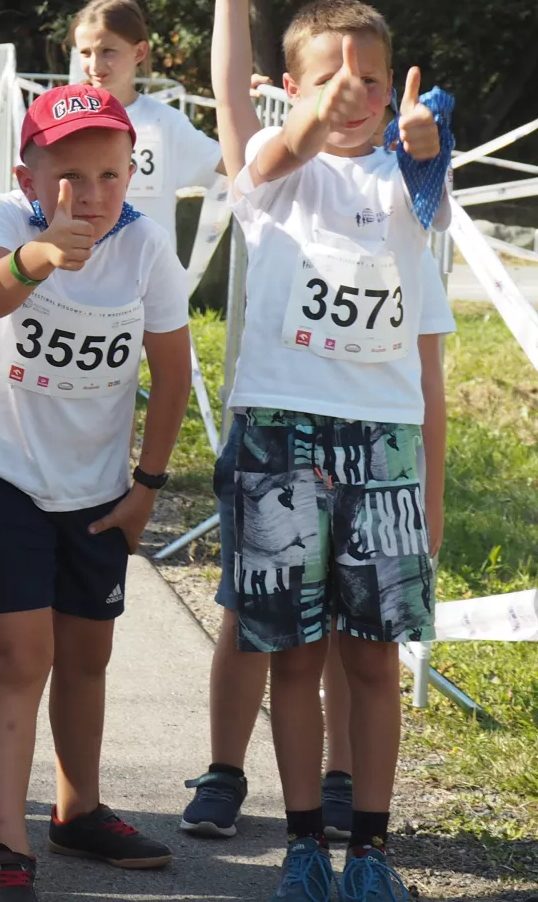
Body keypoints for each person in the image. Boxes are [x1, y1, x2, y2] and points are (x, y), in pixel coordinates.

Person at [203, 0, 448, 902]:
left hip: (381, 448)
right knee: (292, 659)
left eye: (372, 79)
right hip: (280, 438)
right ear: (291, 90)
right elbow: (244, 110)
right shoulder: (271, 177)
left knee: (373, 662)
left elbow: (427, 165)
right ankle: (303, 843)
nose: (354, 93)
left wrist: (424, 145)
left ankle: (372, 852)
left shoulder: (409, 188)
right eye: (332, 80)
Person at [0, 84, 192, 899]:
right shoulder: (4, 219)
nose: (90, 194)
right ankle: (7, 844)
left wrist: (147, 485)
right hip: (8, 475)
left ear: (132, 174)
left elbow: (173, 372)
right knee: (21, 656)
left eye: (109, 174)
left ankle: (78, 809)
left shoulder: (146, 245)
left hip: (99, 492)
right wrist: (42, 255)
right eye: (69, 176)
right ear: (28, 177)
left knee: (88, 656)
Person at [183, 262, 456, 843]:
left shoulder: (407, 241)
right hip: (276, 437)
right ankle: (225, 771)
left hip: (375, 444)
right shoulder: (282, 216)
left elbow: (429, 370)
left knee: (353, 631)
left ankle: (342, 778)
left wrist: (432, 496)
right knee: (255, 616)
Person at [72, 0, 224, 243]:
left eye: (108, 51)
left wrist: (240, 104)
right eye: (86, 53)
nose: (95, 65)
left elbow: (237, 166)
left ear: (139, 52)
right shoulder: (63, 118)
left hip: (149, 265)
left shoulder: (166, 122)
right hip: (79, 263)